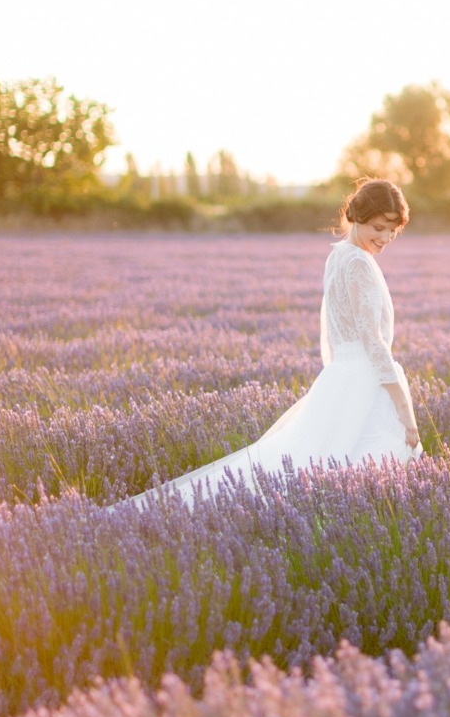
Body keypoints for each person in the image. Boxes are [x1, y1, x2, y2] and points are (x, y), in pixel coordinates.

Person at [121, 178, 422, 507]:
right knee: (360, 476)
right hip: (367, 380)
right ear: (357, 216)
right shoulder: (359, 264)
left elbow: (337, 333)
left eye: (393, 231)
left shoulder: (338, 256)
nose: (386, 238)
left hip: (340, 379)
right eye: (379, 228)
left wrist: (339, 378)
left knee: (317, 465)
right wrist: (405, 410)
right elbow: (373, 342)